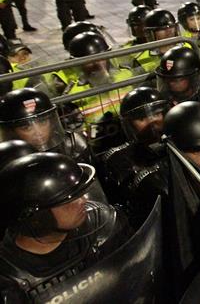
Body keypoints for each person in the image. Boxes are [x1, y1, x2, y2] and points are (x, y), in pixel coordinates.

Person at [0, 152, 129, 301]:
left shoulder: (101, 223)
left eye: (79, 193)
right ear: (36, 218)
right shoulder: (8, 275)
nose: (83, 201)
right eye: (67, 200)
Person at [99, 86, 169, 223]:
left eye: (156, 114)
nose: (152, 123)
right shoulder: (119, 158)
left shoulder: (181, 145)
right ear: (129, 124)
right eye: (142, 118)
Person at [0, 87, 91, 163]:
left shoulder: (72, 144)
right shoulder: (6, 159)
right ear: (12, 132)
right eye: (26, 128)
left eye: (43, 122)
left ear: (51, 122)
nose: (38, 133)